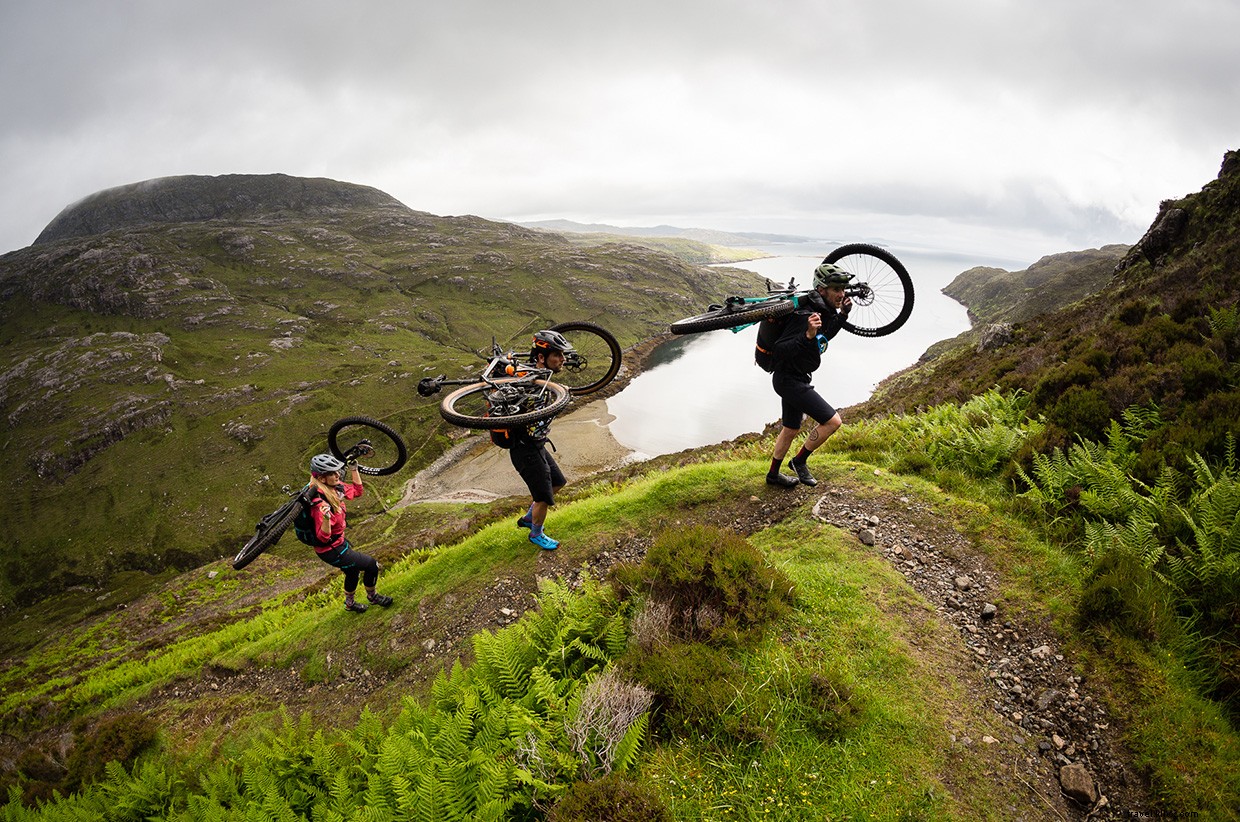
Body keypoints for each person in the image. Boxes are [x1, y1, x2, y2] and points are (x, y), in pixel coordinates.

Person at [758, 262, 853, 488]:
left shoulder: (821, 310)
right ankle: (799, 461)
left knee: (791, 427)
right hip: (788, 380)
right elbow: (781, 349)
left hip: (795, 377)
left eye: (843, 289)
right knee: (832, 422)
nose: (841, 294)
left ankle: (773, 475)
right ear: (821, 290)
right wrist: (807, 336)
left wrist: (842, 316)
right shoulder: (805, 315)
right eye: (836, 290)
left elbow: (825, 335)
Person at [297, 453, 394, 612]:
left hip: (339, 543)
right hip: (330, 550)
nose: (338, 475)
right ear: (322, 479)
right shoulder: (319, 504)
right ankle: (373, 596)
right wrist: (327, 517)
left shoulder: (333, 488)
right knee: (371, 565)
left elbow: (357, 491)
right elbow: (323, 537)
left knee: (352, 571)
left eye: (337, 471)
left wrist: (354, 469)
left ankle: (350, 604)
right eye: (332, 473)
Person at [511, 329, 574, 551]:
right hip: (525, 448)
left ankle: (529, 518)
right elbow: (532, 416)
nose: (563, 360)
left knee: (558, 482)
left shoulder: (543, 380)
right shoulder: (532, 384)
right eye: (558, 355)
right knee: (543, 496)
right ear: (541, 358)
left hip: (537, 444)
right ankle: (536, 534)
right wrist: (560, 401)